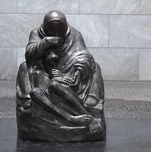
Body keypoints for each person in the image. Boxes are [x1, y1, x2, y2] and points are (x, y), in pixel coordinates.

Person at [16, 10, 105, 140]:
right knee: (24, 68)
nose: (57, 33)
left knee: (95, 67)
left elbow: (83, 56)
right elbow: (30, 55)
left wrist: (74, 74)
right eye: (52, 29)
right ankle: (29, 103)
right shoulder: (36, 33)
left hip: (67, 73)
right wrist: (46, 42)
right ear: (45, 27)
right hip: (43, 72)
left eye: (60, 29)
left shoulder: (74, 34)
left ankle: (87, 106)